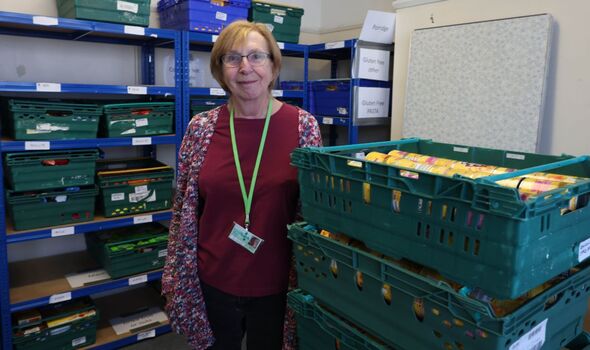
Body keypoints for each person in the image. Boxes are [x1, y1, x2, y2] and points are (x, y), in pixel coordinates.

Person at [162, 20, 322, 350]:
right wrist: (175, 274)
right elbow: (182, 211)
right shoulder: (201, 129)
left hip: (278, 284)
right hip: (213, 280)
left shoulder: (303, 127)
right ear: (220, 69)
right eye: (232, 58)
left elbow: (314, 213)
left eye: (256, 56)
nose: (245, 67)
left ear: (274, 64)